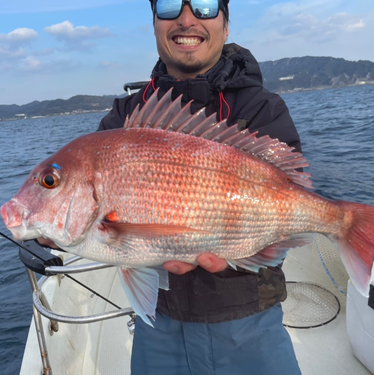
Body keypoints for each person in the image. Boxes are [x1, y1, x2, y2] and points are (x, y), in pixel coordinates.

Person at [98, 1, 302, 374]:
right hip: (158, 324)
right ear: (155, 24)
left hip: (249, 318)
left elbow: (288, 197)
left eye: (206, 6)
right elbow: (85, 203)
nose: (187, 18)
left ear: (226, 25)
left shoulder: (264, 110)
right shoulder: (122, 119)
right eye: (169, 5)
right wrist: (44, 229)